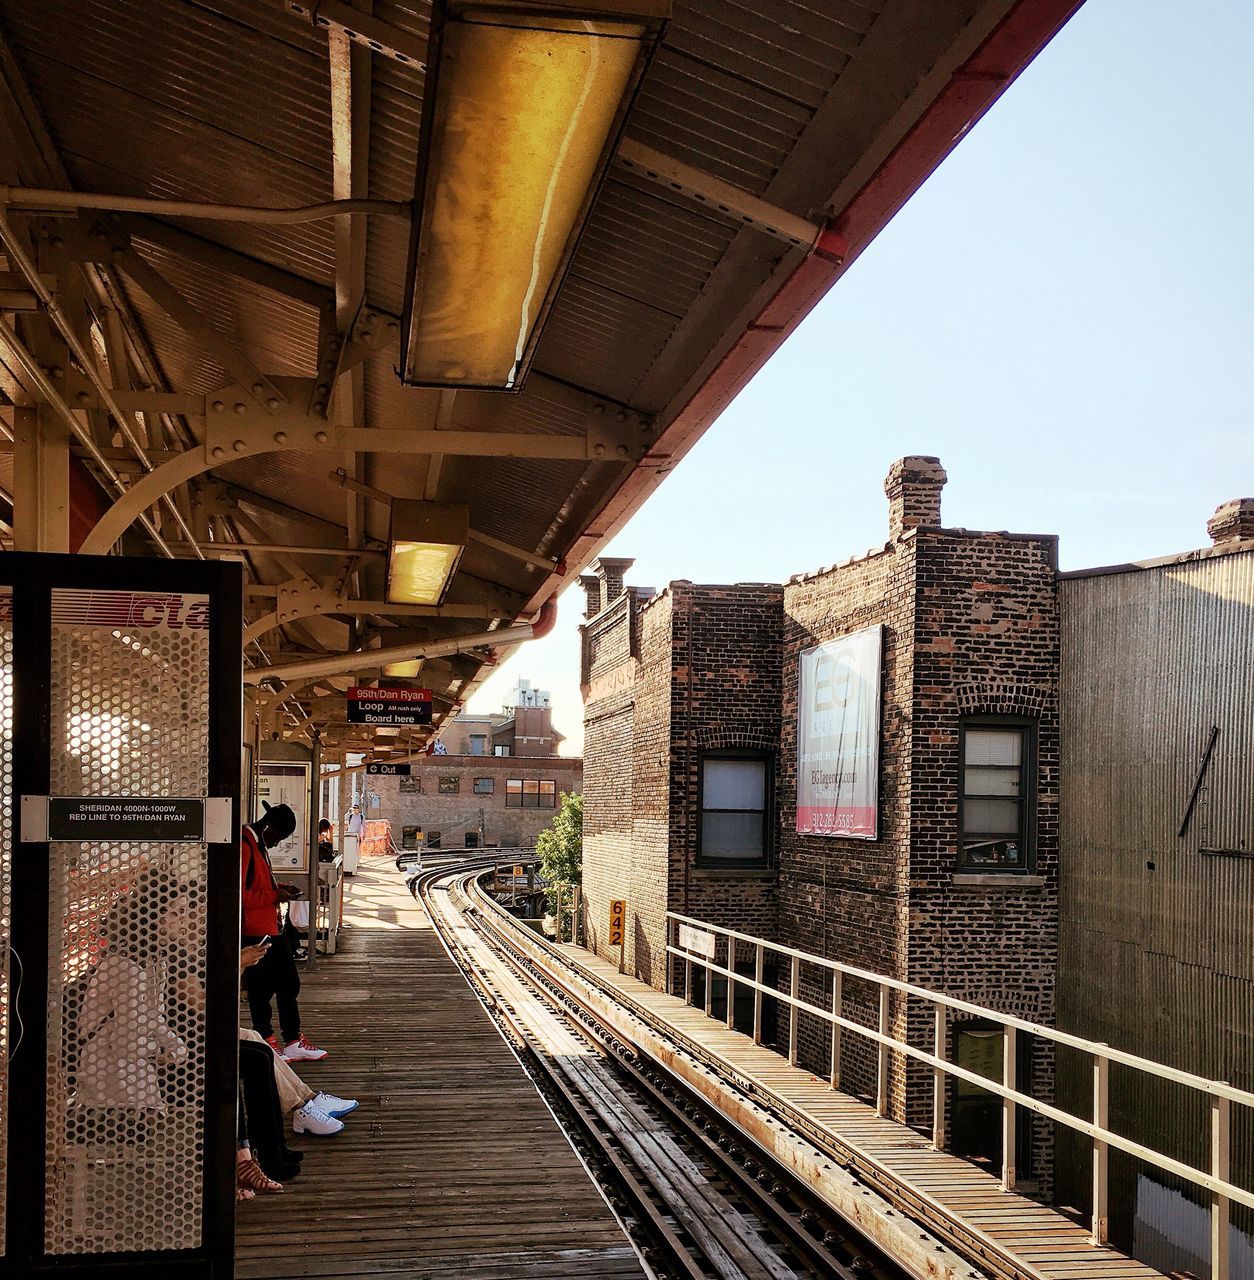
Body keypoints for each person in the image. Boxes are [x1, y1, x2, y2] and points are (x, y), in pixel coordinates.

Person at [75, 874, 193, 1111]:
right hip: (111, 1076)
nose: (184, 921)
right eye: (175, 913)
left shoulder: (154, 964)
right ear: (153, 919)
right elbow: (127, 1045)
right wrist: (161, 1050)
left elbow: (151, 1016)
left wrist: (176, 1046)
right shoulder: (127, 968)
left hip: (131, 1071)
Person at [241, 802, 327, 1062]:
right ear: (267, 826)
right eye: (278, 837)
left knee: (288, 982)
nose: (277, 844)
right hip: (254, 929)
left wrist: (280, 888)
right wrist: (274, 895)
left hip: (269, 925)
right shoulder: (245, 846)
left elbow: (256, 885)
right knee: (261, 988)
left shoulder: (257, 844)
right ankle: (268, 1039)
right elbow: (238, 894)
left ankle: (292, 1039)